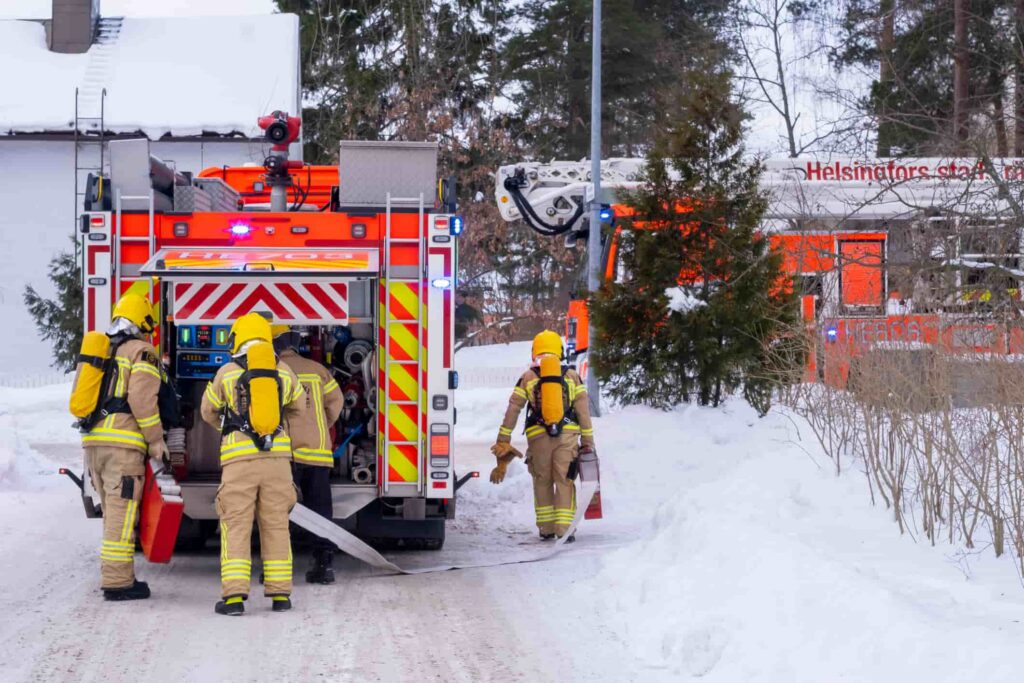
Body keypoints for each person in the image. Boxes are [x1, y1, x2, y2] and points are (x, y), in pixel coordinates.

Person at [201, 312, 305, 616]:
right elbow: (300, 408)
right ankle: (280, 595)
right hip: (277, 462)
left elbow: (207, 410)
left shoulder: (227, 372)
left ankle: (234, 598)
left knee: (236, 527)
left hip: (239, 461)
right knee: (276, 525)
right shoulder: (284, 370)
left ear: (239, 338)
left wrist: (229, 426)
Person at [76, 293, 169, 601]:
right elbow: (142, 401)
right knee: (121, 512)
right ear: (143, 322)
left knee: (112, 512)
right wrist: (156, 439)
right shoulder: (142, 352)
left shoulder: (102, 350)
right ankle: (117, 583)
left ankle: (117, 574)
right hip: (122, 447)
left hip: (94, 445)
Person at [490, 330, 595, 541]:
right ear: (560, 351)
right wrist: (587, 441)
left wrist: (504, 439)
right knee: (565, 481)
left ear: (535, 351)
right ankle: (565, 530)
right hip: (567, 437)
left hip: (538, 438)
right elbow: (583, 412)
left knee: (542, 481)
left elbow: (514, 408)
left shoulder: (527, 377)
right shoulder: (572, 376)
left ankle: (546, 529)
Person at [272, 325, 344, 584]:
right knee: (319, 507)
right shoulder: (317, 370)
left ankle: (277, 567)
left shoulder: (271, 371)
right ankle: (324, 564)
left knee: (278, 510)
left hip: (283, 454)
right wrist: (322, 423)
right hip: (316, 451)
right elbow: (336, 402)